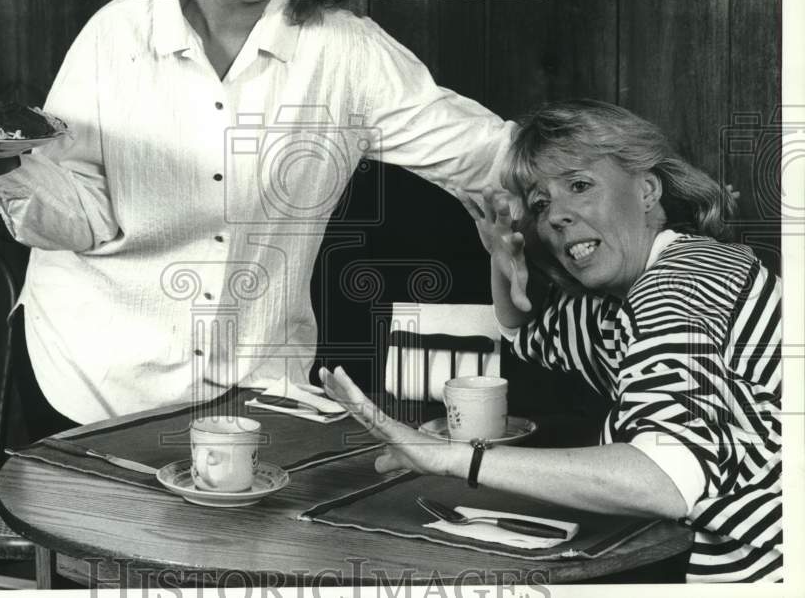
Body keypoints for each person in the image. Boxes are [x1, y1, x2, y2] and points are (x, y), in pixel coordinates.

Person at [0, 0, 516, 428]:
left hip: (256, 394)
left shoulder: (346, 54)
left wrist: (610, 182)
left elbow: (484, 152)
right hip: (92, 379)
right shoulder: (116, 34)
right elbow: (81, 213)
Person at [320, 99, 781, 583]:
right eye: (541, 204)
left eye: (579, 185)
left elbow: (665, 478)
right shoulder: (636, 290)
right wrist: (501, 262)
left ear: (646, 189)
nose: (556, 216)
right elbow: (530, 337)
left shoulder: (680, 286)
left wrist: (451, 457)